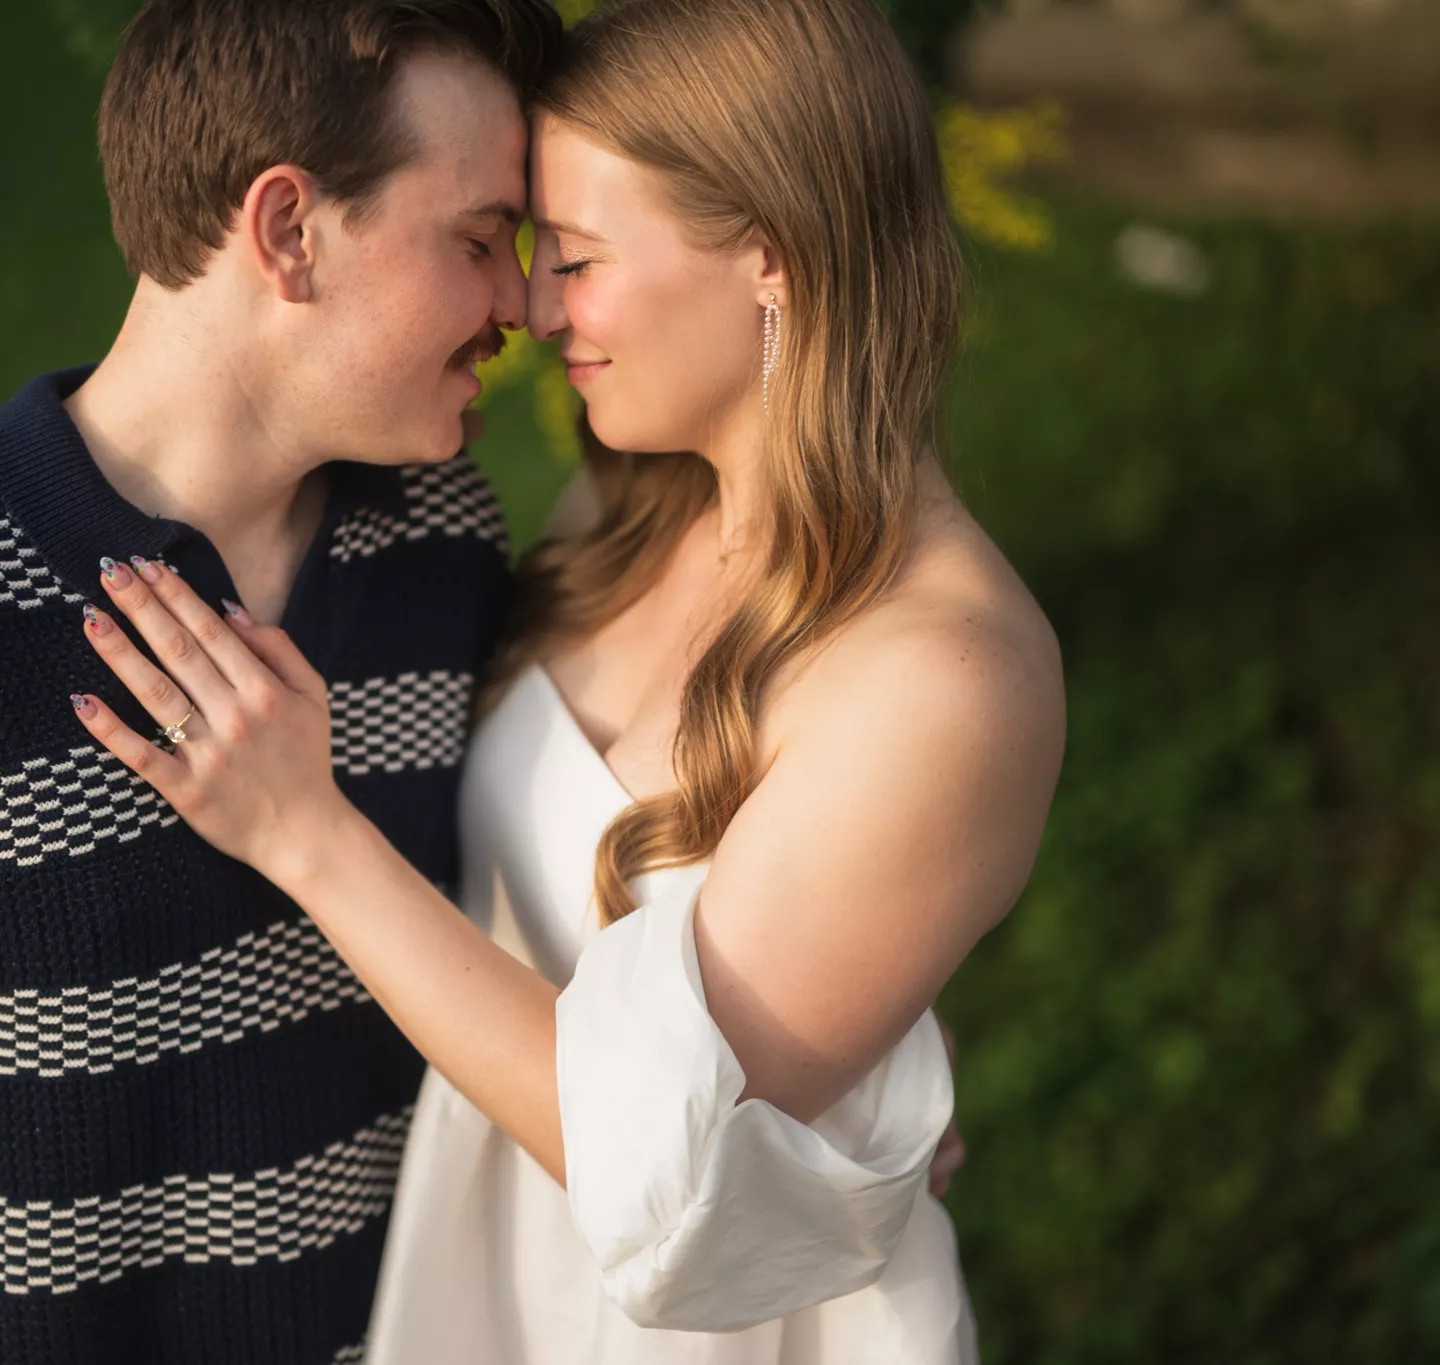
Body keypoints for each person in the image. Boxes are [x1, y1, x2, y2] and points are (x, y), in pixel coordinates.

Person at [66, 0, 1067, 1361]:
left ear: (769, 256)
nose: (532, 309)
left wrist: (307, 838)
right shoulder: (637, 506)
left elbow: (668, 1173)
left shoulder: (948, 675)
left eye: (576, 259)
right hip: (484, 1273)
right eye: (525, 250)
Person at [0, 2, 562, 1361]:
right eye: (482, 239)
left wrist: (808, 1095)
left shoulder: (442, 545)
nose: (521, 303)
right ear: (288, 231)